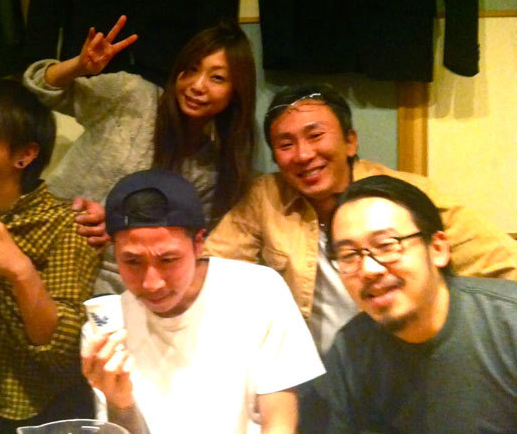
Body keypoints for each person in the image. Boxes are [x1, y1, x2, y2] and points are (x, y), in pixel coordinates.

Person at [203, 84, 517, 352]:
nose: (303, 154)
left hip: (398, 364)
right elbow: (210, 271)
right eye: (286, 144)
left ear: (350, 141)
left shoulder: (405, 195)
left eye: (315, 135)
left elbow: (504, 265)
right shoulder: (264, 198)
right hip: (310, 375)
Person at [24, 15, 257, 293]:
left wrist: (116, 228)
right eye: (191, 69)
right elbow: (40, 90)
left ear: (236, 92)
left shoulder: (211, 171)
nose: (197, 85)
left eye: (217, 78)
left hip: (113, 284)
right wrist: (78, 66)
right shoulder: (133, 96)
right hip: (42, 237)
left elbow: (181, 250)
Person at [81, 169, 324, 434]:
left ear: (198, 244)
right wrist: (120, 403)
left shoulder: (258, 291)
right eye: (132, 261)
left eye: (168, 260)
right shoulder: (105, 328)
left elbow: (279, 422)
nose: (152, 283)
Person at [0, 79, 101, 433]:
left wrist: (20, 269)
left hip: (39, 410)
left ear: (24, 155)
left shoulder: (65, 224)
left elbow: (62, 350)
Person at [310, 175, 517, 433]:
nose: (369, 269)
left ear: (438, 248)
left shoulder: (508, 322)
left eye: (386, 245)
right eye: (349, 255)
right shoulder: (351, 351)